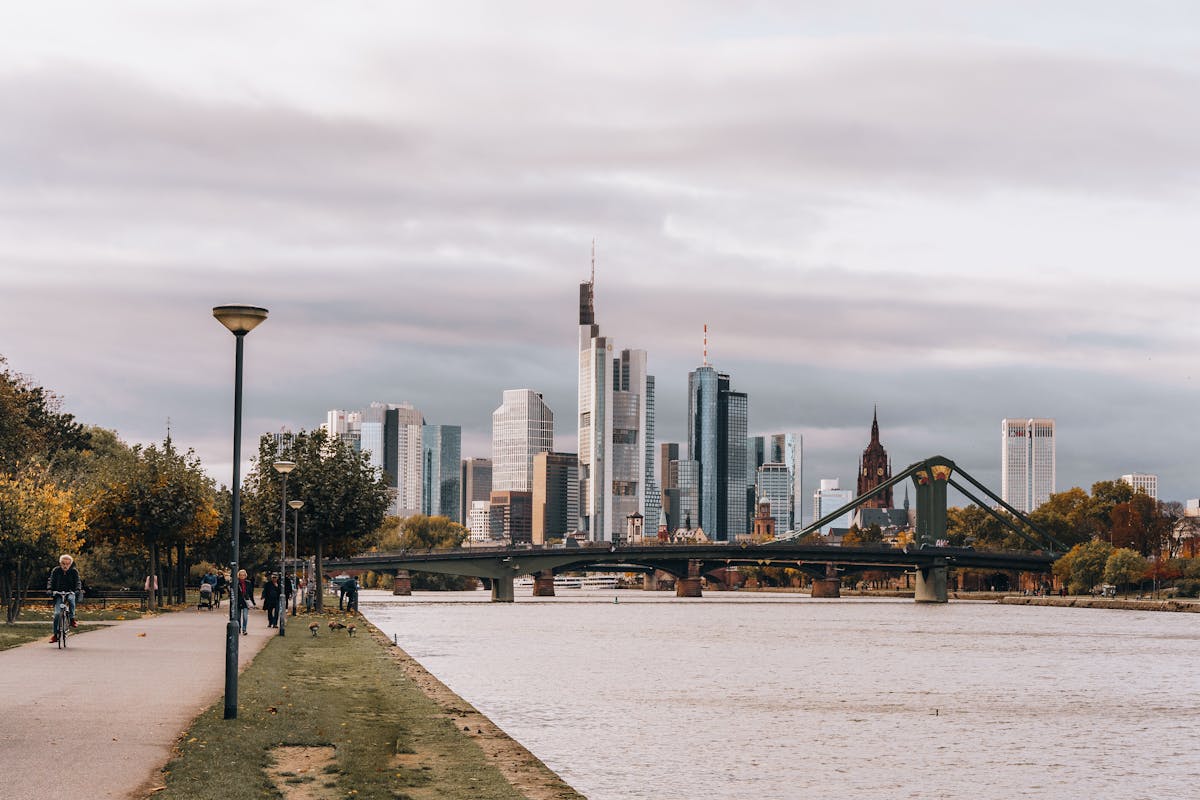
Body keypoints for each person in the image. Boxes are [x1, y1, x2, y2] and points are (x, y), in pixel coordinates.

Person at [47, 554, 82, 644]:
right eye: (63, 563)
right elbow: (51, 581)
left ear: (70, 564)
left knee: (71, 599)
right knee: (57, 614)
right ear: (60, 563)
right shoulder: (56, 571)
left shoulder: (74, 572)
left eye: (67, 564)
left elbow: (78, 582)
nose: (65, 566)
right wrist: (50, 590)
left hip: (70, 592)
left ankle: (72, 618)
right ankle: (55, 635)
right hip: (58, 594)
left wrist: (77, 590)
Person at [235, 569, 255, 634]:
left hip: (245, 601)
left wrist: (252, 602)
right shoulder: (236, 583)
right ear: (239, 576)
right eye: (241, 575)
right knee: (238, 617)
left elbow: (251, 593)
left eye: (243, 575)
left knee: (245, 616)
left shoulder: (248, 583)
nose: (242, 576)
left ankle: (244, 629)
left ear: (245, 576)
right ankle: (238, 628)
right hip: (238, 601)